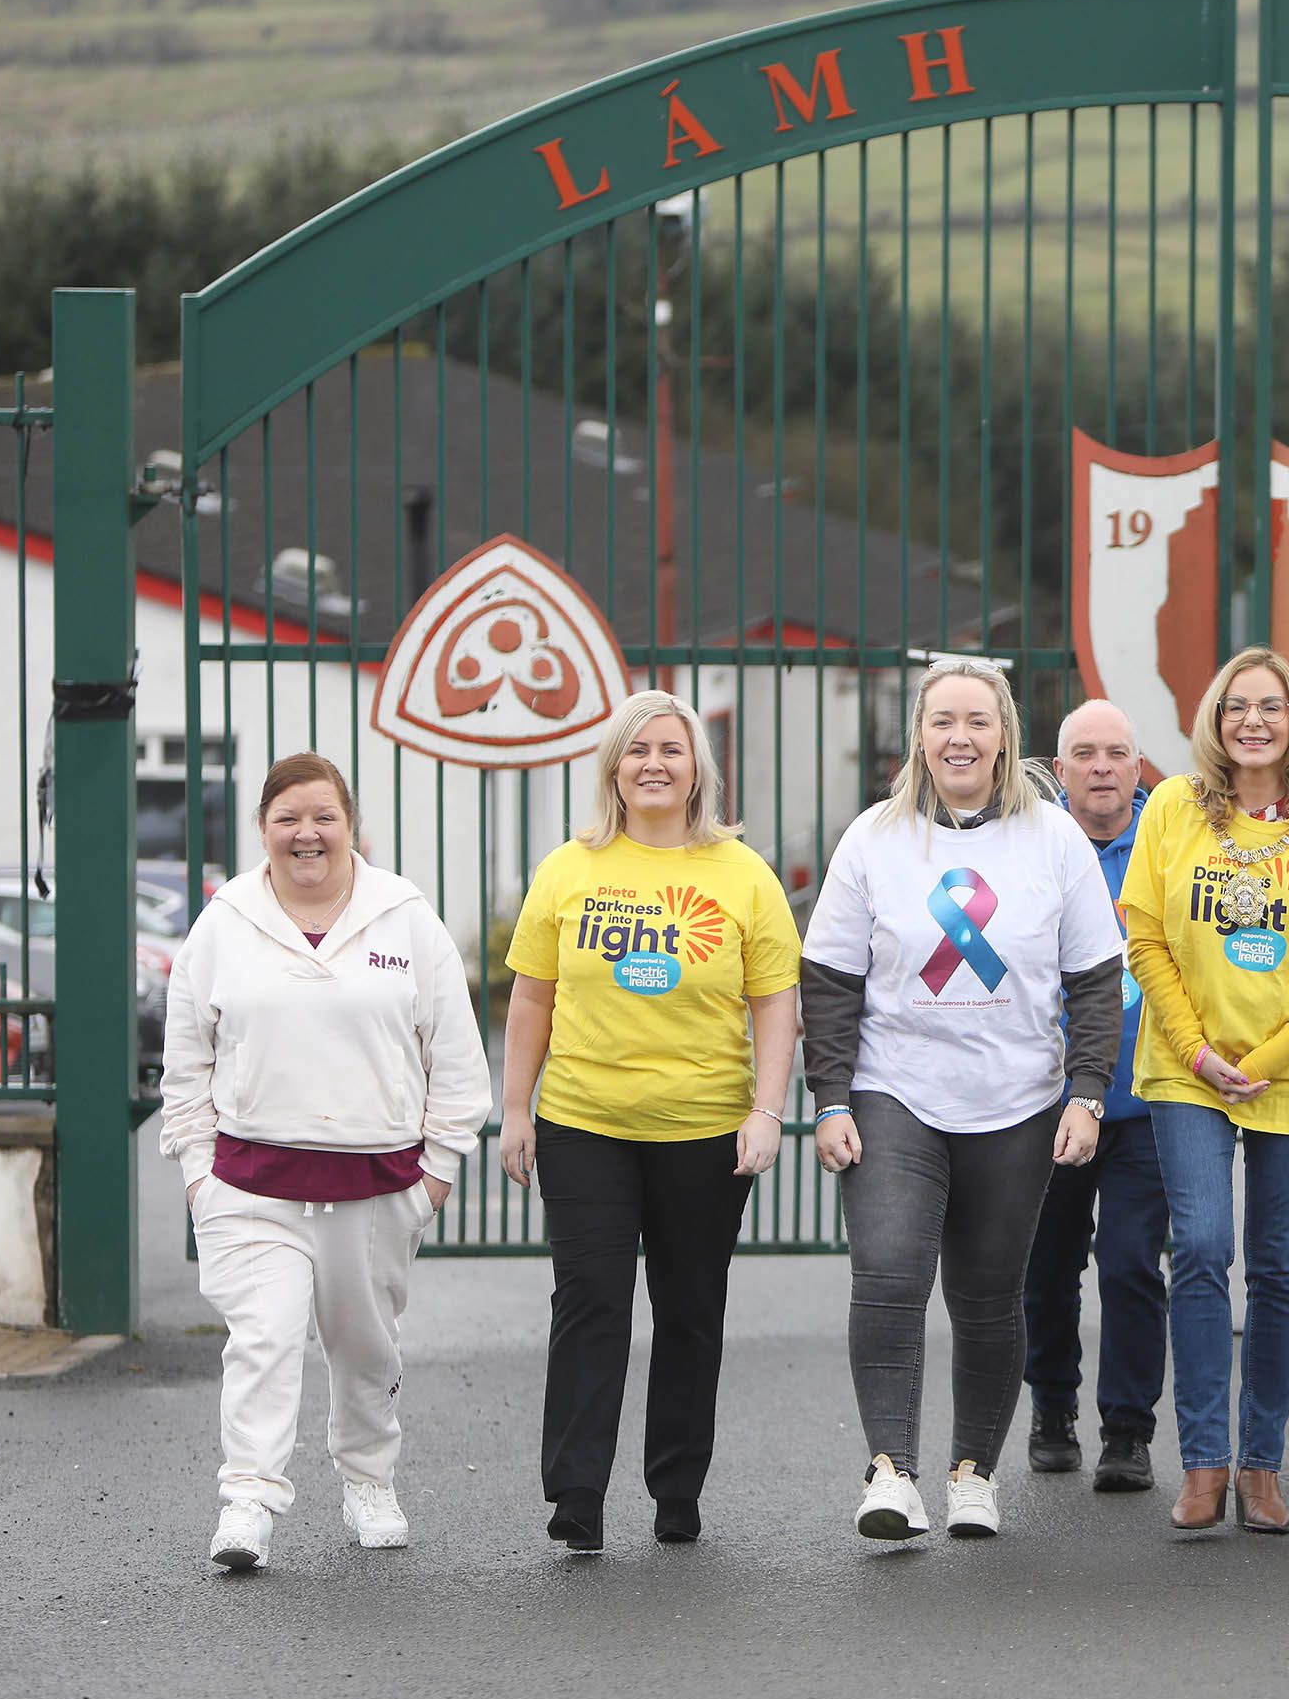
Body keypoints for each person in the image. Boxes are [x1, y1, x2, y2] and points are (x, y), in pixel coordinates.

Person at [801, 658, 1125, 1542]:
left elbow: (1096, 979)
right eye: (942, 721)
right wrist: (831, 1098)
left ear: (1005, 734)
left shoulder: (1053, 838)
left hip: (1016, 1099)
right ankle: (891, 1471)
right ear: (920, 735)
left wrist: (1086, 1091)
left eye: (977, 721)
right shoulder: (875, 836)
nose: (960, 738)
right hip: (895, 1088)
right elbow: (828, 978)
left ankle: (973, 1472)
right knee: (892, 1271)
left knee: (988, 1296)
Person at [160, 752, 490, 1571]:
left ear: (350, 824)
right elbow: (185, 1061)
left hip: (375, 1188)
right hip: (249, 1184)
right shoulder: (225, 920)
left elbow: (454, 1053)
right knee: (262, 1340)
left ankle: (369, 1482)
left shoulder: (404, 916)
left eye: (323, 817)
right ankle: (248, 1501)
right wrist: (199, 1173)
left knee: (365, 1348)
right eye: (288, 819)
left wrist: (438, 1169)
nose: (306, 834)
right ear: (263, 829)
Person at [499, 690, 801, 1554]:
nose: (655, 764)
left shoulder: (743, 875)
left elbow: (775, 1000)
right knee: (591, 1300)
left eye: (671, 749)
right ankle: (578, 1493)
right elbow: (532, 993)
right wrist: (516, 1108)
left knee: (690, 1310)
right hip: (584, 1122)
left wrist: (768, 1110)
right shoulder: (571, 868)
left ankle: (676, 1491)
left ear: (697, 768)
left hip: (704, 1130)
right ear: (614, 770)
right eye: (637, 751)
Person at [1121, 646, 1289, 1533]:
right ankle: (1203, 1465)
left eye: (1271, 706)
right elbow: (1146, 941)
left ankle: (1261, 1468)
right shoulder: (1170, 809)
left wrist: (1272, 1053)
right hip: (1188, 1072)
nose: (1252, 721)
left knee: (1279, 1269)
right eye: (1236, 704)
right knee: (1200, 1247)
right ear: (1213, 717)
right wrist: (1200, 1053)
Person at [1020, 700, 1172, 1494]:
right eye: (1085, 753)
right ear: (1059, 766)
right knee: (1045, 1267)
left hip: (1148, 1097)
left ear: (1138, 764)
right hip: (1047, 1099)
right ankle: (1051, 1406)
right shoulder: (1031, 846)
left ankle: (1127, 1430)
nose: (1103, 767)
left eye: (1117, 751)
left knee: (1130, 1265)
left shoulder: (1172, 842)